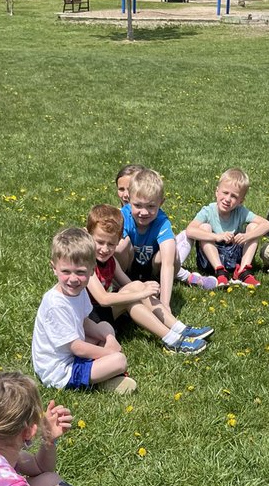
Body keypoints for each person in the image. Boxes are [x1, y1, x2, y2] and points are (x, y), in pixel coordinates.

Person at [86, 204, 213, 355]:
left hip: (102, 314)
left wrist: (143, 288)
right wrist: (140, 293)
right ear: (88, 237)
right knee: (134, 295)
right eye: (100, 242)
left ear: (118, 241)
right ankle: (172, 338)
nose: (105, 249)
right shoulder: (86, 264)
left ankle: (178, 331)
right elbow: (103, 299)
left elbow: (129, 284)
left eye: (111, 244)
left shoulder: (111, 261)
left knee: (136, 290)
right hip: (89, 319)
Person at [32, 227, 136, 394]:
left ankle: (103, 375)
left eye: (80, 272)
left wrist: (108, 337)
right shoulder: (55, 304)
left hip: (72, 352)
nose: (73, 279)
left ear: (92, 270)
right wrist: (108, 352)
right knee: (119, 360)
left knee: (105, 326)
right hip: (61, 371)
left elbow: (85, 321)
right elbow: (77, 348)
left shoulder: (79, 292)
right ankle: (104, 378)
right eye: (66, 271)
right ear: (54, 268)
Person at [185, 167, 269, 288]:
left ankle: (243, 271)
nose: (227, 199)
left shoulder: (240, 212)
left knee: (253, 227)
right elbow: (190, 230)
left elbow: (267, 224)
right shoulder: (208, 211)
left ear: (241, 201)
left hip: (234, 257)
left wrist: (247, 236)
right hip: (210, 261)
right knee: (204, 227)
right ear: (217, 191)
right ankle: (220, 271)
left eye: (234, 196)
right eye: (225, 193)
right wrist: (216, 236)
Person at [117, 168, 182, 313]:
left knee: (173, 254)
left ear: (161, 203)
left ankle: (159, 287)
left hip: (151, 270)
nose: (144, 212)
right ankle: (121, 286)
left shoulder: (161, 222)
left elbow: (168, 262)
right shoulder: (123, 216)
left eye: (151, 206)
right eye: (138, 205)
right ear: (129, 200)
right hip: (128, 269)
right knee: (120, 246)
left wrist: (165, 305)